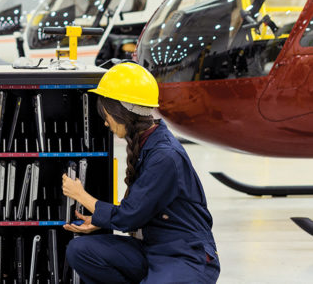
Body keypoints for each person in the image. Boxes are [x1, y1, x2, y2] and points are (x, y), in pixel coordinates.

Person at [61, 62, 220, 283]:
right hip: (153, 248)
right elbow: (138, 211)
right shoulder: (148, 144)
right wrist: (100, 220)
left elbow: (130, 216)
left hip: (185, 256)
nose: (106, 123)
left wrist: (80, 195)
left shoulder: (164, 156)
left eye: (105, 114)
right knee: (81, 250)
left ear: (121, 112)